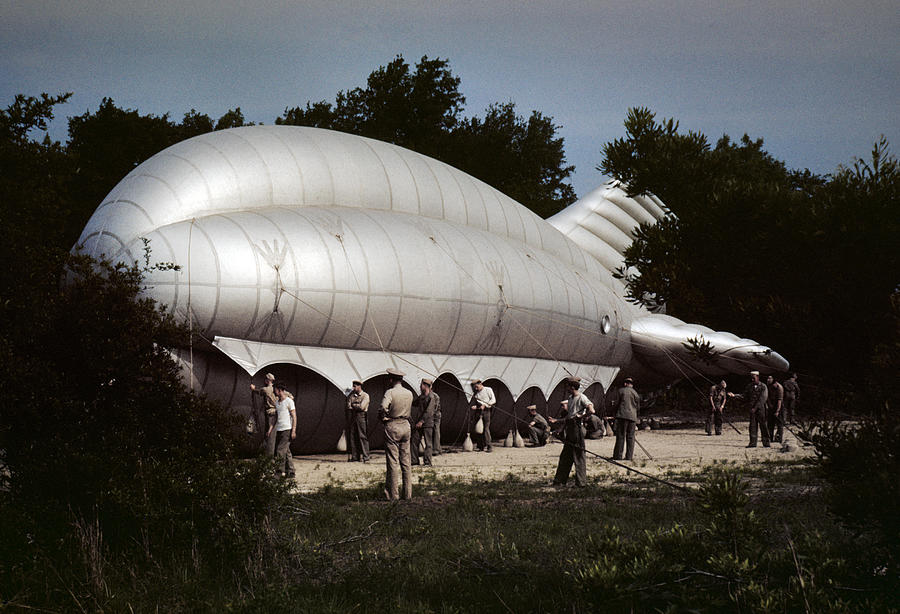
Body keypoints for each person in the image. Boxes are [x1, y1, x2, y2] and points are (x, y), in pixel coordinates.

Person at [549, 376, 593, 487]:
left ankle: (581, 482)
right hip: (570, 429)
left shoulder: (582, 397)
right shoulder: (570, 398)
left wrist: (581, 416)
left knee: (579, 456)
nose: (566, 388)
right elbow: (569, 417)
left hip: (577, 429)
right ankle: (559, 481)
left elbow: (592, 410)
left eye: (567, 386)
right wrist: (560, 428)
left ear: (572, 387)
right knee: (565, 456)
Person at [379, 368, 414, 501]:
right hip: (406, 425)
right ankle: (407, 494)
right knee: (406, 461)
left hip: (393, 425)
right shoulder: (409, 393)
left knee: (393, 461)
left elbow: (383, 407)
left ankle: (393, 495)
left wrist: (383, 417)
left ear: (391, 379)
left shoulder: (390, 392)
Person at [729, 370, 769, 448]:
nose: (752, 380)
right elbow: (744, 396)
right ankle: (753, 443)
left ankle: (766, 443)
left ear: (757, 377)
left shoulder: (763, 386)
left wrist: (755, 408)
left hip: (761, 409)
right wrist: (734, 395)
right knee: (753, 426)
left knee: (763, 426)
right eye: (751, 378)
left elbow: (762, 399)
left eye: (754, 378)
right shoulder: (749, 386)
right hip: (752, 410)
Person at [269, 382, 296, 478]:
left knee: (280, 450)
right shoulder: (277, 402)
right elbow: (275, 417)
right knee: (286, 451)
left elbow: (294, 416)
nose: (274, 392)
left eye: (275, 390)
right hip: (279, 429)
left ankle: (279, 472)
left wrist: (293, 430)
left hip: (287, 429)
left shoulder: (289, 402)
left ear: (279, 390)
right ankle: (291, 471)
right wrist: (270, 429)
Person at [411, 378, 439, 466]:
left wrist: (421, 421)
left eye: (421, 385)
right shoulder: (422, 396)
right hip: (419, 423)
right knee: (414, 441)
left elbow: (429, 411)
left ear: (425, 386)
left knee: (428, 443)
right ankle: (414, 460)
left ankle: (427, 461)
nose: (420, 387)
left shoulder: (431, 397)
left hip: (427, 423)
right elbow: (414, 403)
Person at [613, 377, 640, 461]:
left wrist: (614, 413)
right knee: (631, 437)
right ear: (631, 384)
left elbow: (616, 404)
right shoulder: (635, 393)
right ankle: (629, 457)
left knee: (621, 436)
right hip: (632, 417)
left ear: (625, 383)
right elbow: (638, 407)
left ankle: (618, 456)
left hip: (622, 416)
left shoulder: (621, 391)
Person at [250, 372, 277, 456]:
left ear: (267, 380)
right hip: (278, 413)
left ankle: (269, 456)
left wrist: (253, 389)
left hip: (270, 413)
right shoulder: (276, 389)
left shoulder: (266, 389)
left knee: (270, 435)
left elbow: (258, 391)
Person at [345, 379, 370, 462]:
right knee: (353, 437)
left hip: (361, 417)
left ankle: (366, 457)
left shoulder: (365, 395)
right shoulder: (352, 396)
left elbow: (362, 407)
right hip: (353, 417)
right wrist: (356, 406)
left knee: (362, 436)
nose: (353, 388)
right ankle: (355, 456)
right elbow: (348, 406)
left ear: (359, 386)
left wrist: (354, 405)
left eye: (355, 386)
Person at [469, 379, 496, 452]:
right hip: (478, 412)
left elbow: (493, 400)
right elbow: (475, 402)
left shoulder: (488, 389)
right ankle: (480, 446)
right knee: (478, 429)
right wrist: (475, 407)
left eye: (477, 386)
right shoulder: (476, 393)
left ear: (480, 384)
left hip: (486, 411)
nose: (476, 388)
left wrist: (485, 405)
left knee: (486, 429)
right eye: (475, 387)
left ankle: (489, 446)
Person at [766, 375, 785, 443]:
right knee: (770, 423)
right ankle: (769, 437)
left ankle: (779, 438)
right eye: (767, 378)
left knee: (779, 424)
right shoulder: (768, 386)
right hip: (771, 405)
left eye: (769, 378)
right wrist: (769, 405)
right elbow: (767, 397)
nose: (768, 380)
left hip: (778, 406)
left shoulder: (779, 387)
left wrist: (777, 411)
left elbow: (779, 400)